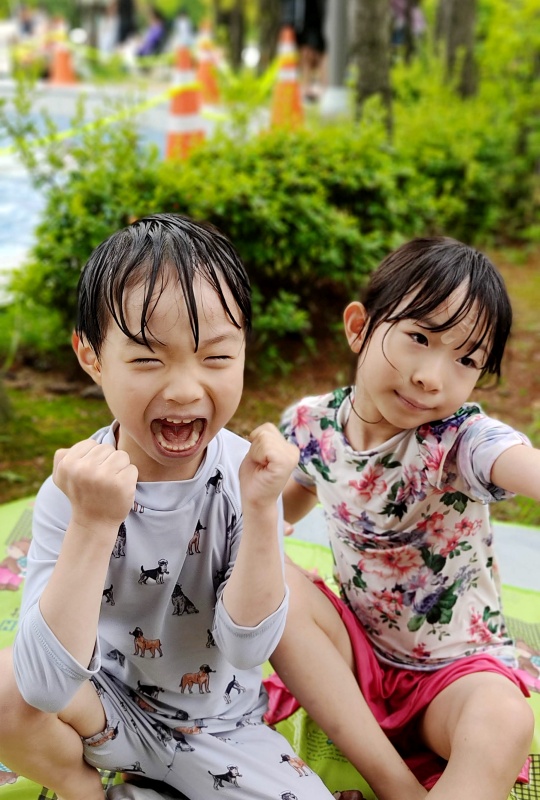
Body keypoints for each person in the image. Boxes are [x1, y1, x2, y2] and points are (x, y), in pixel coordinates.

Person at [0, 213, 337, 800]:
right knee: (5, 686)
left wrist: (262, 510)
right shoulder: (75, 488)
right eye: (147, 360)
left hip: (219, 729)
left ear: (243, 351)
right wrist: (93, 523)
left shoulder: (243, 477)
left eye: (216, 358)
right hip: (102, 709)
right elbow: (45, 686)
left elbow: (249, 647)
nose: (184, 389)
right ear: (92, 357)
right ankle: (85, 790)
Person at [268, 237, 538, 800]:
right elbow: (279, 511)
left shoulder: (458, 440)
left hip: (454, 679)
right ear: (359, 327)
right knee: (268, 580)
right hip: (352, 667)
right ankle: (397, 786)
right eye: (419, 337)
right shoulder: (313, 426)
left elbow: (519, 462)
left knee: (506, 718)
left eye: (466, 360)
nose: (431, 377)